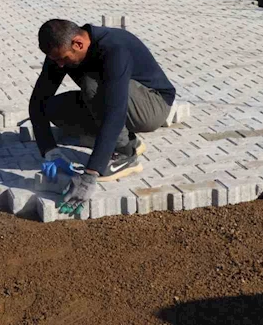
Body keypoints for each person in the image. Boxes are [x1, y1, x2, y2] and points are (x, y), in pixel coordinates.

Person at [29, 19, 176, 214]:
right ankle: (124, 140)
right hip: (116, 100)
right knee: (54, 108)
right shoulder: (60, 52)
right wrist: (49, 150)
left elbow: (115, 112)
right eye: (56, 60)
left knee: (92, 87)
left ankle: (126, 152)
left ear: (78, 44)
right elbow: (38, 102)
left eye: (63, 59)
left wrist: (90, 174)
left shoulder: (114, 49)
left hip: (152, 105)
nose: (60, 65)